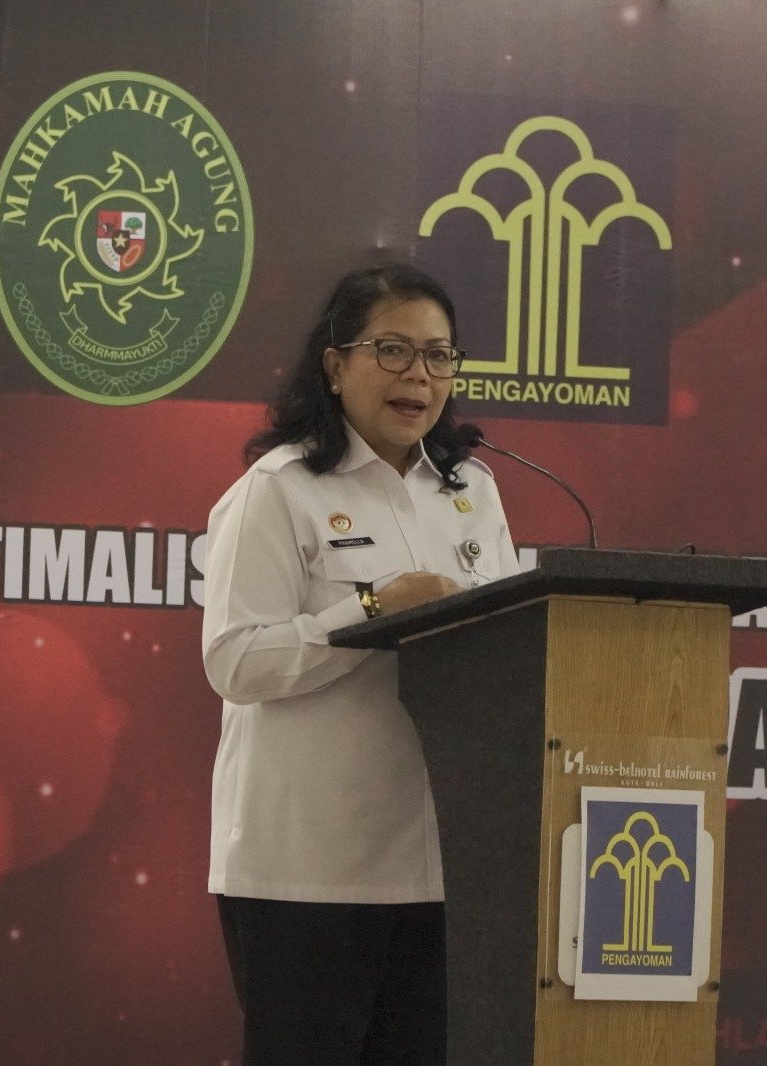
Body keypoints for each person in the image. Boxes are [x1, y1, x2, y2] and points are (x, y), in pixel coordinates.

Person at [202, 263, 519, 1065]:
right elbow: (236, 662)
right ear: (336, 365)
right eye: (393, 350)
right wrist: (373, 609)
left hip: (440, 870)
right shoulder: (279, 490)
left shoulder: (472, 492)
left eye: (439, 355)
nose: (420, 375)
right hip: (306, 873)